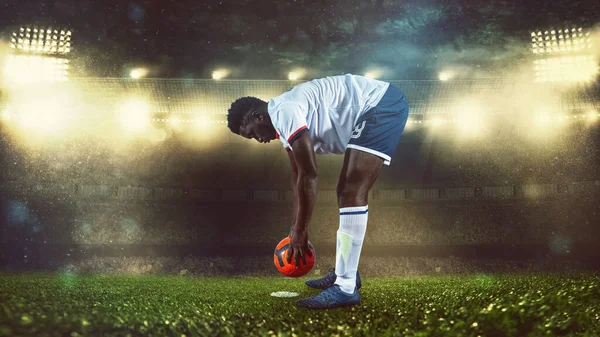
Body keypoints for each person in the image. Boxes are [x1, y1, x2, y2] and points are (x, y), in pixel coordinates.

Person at [227, 74, 409, 309]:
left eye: (252, 133)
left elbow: (310, 174)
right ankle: (347, 274)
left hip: (380, 104)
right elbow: (297, 178)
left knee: (350, 191)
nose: (258, 140)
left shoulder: (284, 111)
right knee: (346, 190)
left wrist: (302, 230)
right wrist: (295, 228)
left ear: (257, 116)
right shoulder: (282, 123)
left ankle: (345, 287)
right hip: (373, 106)